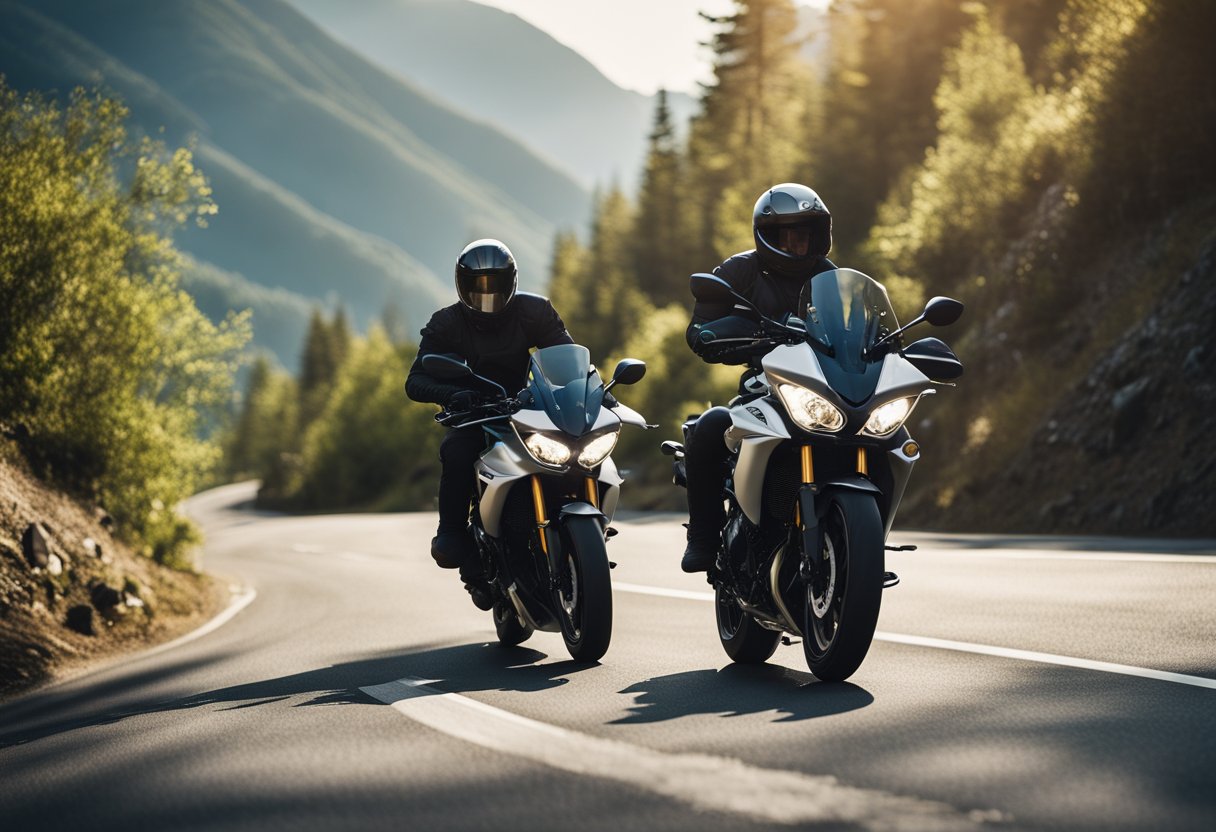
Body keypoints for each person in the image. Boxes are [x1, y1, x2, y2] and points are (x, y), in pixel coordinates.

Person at [406, 239, 573, 607]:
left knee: (575, 443)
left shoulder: (535, 311)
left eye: (496, 284)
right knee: (457, 449)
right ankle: (452, 532)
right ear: (462, 285)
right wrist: (453, 394)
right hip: (476, 412)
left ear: (511, 281)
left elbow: (565, 355)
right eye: (479, 286)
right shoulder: (446, 323)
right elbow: (415, 381)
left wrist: (590, 390)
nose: (488, 294)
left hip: (532, 407)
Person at [680, 183, 837, 572]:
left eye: (807, 233)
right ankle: (703, 535)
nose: (799, 243)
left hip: (823, 388)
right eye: (789, 234)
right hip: (764, 387)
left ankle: (860, 537)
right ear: (767, 235)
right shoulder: (739, 270)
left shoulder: (831, 276)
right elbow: (701, 327)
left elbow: (859, 322)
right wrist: (712, 334)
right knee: (711, 427)